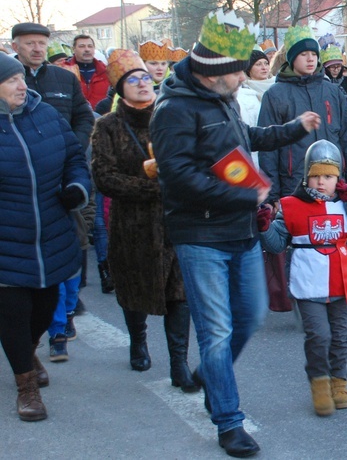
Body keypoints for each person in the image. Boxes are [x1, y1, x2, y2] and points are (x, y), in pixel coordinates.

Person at [150, 9, 322, 457]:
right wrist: (245, 196)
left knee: (250, 316)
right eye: (238, 73)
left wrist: (291, 130)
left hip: (241, 232)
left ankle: (212, 371)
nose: (244, 80)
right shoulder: (173, 110)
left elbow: (245, 138)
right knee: (217, 332)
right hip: (200, 236)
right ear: (214, 74)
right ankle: (229, 421)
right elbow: (179, 177)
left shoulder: (222, 99)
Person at [90, 49, 199, 392]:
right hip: (133, 224)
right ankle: (138, 341)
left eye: (144, 77)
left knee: (179, 293)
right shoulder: (106, 126)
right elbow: (104, 177)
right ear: (120, 88)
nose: (141, 83)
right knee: (134, 288)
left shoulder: (171, 117)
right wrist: (155, 189)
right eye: (131, 79)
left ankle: (179, 364)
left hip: (174, 222)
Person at [0, 53, 90, 421]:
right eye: (11, 81)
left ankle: (27, 351)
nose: (23, 85)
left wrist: (76, 187)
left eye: (21, 78)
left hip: (52, 233)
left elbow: (74, 158)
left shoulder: (45, 115)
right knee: (13, 313)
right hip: (7, 240)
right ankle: (27, 387)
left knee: (43, 308)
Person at [258, 140, 347, 416]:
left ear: (338, 178)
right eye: (316, 175)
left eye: (329, 176)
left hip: (340, 281)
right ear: (306, 175)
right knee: (319, 335)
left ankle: (339, 381)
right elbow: (276, 245)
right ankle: (320, 384)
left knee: (339, 337)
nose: (322, 182)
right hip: (307, 282)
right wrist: (263, 227)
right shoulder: (291, 205)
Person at [258, 25, 347, 206]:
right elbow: (268, 148)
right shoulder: (275, 95)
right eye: (303, 54)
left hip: (335, 186)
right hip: (293, 186)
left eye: (314, 54)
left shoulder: (333, 92)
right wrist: (272, 196)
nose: (310, 59)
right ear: (292, 58)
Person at [11, 23, 94, 150]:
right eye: (30, 44)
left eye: (42, 43)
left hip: (67, 157)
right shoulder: (5, 81)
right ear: (15, 47)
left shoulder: (66, 77)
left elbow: (83, 116)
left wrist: (76, 146)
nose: (38, 49)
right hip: (21, 161)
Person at [65, 35, 109, 109]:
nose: (87, 49)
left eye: (90, 46)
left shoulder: (107, 72)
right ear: (73, 49)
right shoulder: (64, 71)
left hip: (102, 118)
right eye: (82, 46)